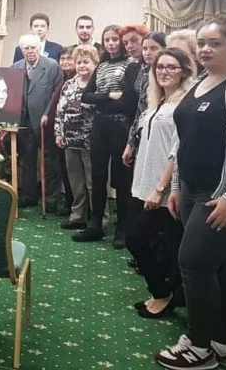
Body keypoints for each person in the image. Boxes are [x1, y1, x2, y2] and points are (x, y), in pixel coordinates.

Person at [155, 15, 226, 370]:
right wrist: (176, 186)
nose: (205, 49)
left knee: (193, 262)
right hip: (194, 190)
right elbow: (183, 139)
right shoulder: (201, 82)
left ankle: (199, 347)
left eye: (215, 43)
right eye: (202, 43)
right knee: (218, 267)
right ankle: (222, 343)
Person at [125, 48, 193, 320]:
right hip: (146, 184)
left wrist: (161, 188)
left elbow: (177, 151)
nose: (164, 72)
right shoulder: (158, 101)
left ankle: (164, 293)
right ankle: (166, 292)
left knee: (137, 240)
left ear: (184, 71)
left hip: (165, 191)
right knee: (164, 245)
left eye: (171, 67)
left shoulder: (184, 104)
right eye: (160, 67)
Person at [73, 25, 132, 246]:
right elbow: (86, 97)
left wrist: (106, 98)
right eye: (107, 40)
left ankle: (122, 228)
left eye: (115, 39)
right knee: (97, 176)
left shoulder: (131, 65)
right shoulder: (101, 66)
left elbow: (128, 100)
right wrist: (109, 96)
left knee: (121, 178)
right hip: (100, 124)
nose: (111, 43)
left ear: (122, 41)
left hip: (121, 126)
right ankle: (95, 225)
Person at [12, 33, 64, 209]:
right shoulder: (16, 67)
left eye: (33, 47)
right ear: (21, 50)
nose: (30, 51)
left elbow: (57, 93)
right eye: (26, 48)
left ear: (39, 48)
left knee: (50, 161)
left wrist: (48, 114)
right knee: (27, 160)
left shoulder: (52, 66)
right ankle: (29, 195)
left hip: (45, 121)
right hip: (24, 121)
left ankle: (50, 198)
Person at [55, 45, 99, 230]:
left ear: (95, 63)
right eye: (79, 62)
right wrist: (58, 133)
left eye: (86, 61)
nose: (82, 65)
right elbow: (60, 110)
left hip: (91, 141)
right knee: (76, 183)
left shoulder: (98, 84)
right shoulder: (69, 84)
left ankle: (98, 221)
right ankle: (77, 217)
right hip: (70, 141)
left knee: (93, 184)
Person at [122, 32, 167, 166]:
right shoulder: (144, 72)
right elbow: (140, 109)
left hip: (161, 131)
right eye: (145, 48)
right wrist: (130, 143)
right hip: (142, 128)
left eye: (153, 48)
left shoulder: (167, 75)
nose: (147, 53)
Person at [51, 45, 78, 216]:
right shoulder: (63, 79)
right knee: (66, 171)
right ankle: (70, 203)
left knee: (76, 175)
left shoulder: (78, 79)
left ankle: (77, 207)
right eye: (63, 59)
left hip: (77, 134)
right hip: (62, 131)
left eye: (69, 58)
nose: (66, 62)